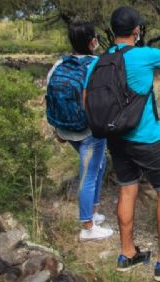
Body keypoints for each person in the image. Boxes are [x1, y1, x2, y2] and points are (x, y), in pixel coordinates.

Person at [84, 6, 160, 280]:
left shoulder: (101, 60)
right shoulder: (144, 55)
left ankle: (127, 254)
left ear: (112, 30)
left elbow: (87, 97)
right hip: (145, 137)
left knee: (127, 189)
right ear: (137, 31)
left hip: (115, 137)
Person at [46, 21, 113, 242]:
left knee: (98, 166)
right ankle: (87, 226)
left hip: (66, 129)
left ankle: (93, 213)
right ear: (93, 42)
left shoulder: (59, 65)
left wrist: (57, 128)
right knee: (89, 174)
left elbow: (50, 97)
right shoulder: (98, 65)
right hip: (89, 131)